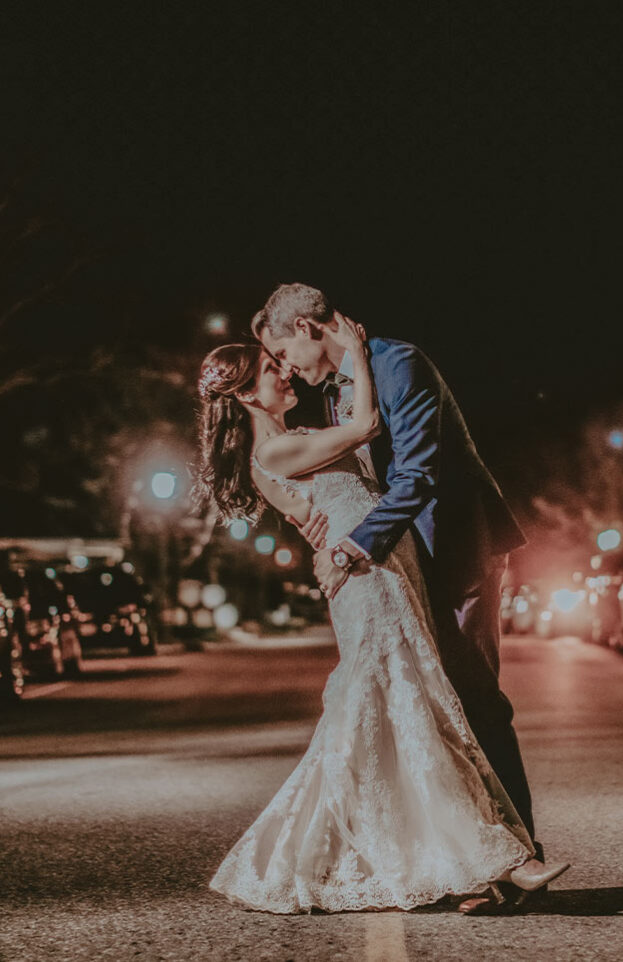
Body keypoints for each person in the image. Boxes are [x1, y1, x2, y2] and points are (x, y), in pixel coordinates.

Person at [200, 315, 567, 913]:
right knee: (415, 706)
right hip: (369, 577)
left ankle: (400, 854)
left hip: (383, 565)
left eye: (280, 355)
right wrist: (357, 353)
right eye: (271, 367)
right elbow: (366, 429)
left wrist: (323, 534)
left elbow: (319, 505)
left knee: (396, 710)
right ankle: (503, 859)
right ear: (245, 396)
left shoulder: (296, 435)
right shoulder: (277, 447)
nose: (285, 370)